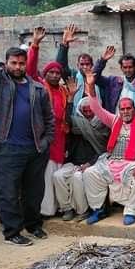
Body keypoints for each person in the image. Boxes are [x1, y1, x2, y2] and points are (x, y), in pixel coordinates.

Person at [0, 15, 55, 246]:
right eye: (13, 63)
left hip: (35, 148)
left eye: (21, 63)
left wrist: (47, 140)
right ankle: (12, 232)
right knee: (7, 191)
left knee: (34, 191)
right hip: (7, 147)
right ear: (6, 64)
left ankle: (33, 225)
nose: (17, 67)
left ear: (26, 64)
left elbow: (49, 118)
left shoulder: (37, 88)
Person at [81, 71, 135, 226]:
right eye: (122, 109)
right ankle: (99, 209)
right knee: (90, 173)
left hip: (132, 163)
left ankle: (131, 211)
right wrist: (91, 87)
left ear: (134, 109)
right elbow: (97, 109)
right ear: (119, 111)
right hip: (112, 162)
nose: (125, 112)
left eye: (128, 108)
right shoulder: (114, 121)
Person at [25, 27, 70, 217]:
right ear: (45, 75)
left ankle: (58, 207)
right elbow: (29, 70)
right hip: (45, 136)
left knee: (57, 173)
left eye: (57, 73)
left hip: (60, 136)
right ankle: (46, 210)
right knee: (46, 173)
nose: (55, 75)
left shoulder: (64, 91)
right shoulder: (40, 87)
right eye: (51, 72)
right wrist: (35, 45)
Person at [53, 83, 110, 221]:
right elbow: (66, 121)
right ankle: (66, 208)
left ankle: (82, 211)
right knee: (57, 176)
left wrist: (89, 163)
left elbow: (104, 150)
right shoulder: (77, 123)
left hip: (95, 162)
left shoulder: (103, 125)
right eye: (85, 111)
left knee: (77, 178)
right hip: (74, 162)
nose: (88, 114)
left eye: (91, 111)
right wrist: (70, 99)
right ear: (80, 111)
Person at [92, 34, 135, 116]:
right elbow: (94, 78)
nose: (128, 70)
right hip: (116, 121)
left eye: (130, 67)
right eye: (125, 67)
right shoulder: (114, 81)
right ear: (121, 68)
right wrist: (102, 60)